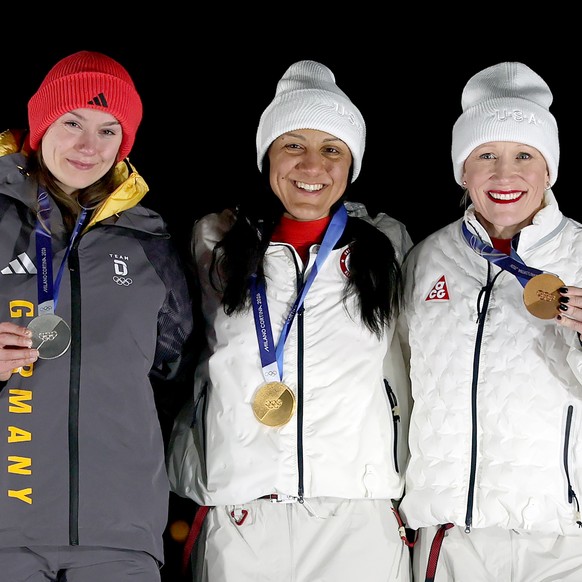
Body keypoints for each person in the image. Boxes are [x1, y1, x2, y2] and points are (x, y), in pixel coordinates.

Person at [167, 60, 413, 582]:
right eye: (293, 145)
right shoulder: (214, 241)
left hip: (357, 515)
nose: (311, 166)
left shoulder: (388, 244)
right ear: (268, 155)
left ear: (352, 164)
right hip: (243, 513)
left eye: (331, 149)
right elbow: (167, 352)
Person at [0, 50, 194, 582]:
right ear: (41, 126)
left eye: (110, 130)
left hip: (120, 537)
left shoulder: (148, 240)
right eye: (73, 122)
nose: (90, 146)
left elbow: (171, 376)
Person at [397, 61, 582, 582]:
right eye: (486, 156)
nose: (505, 175)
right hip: (453, 538)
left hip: (561, 536)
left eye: (525, 154)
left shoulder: (581, 253)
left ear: (549, 169)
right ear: (462, 170)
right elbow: (401, 388)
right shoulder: (427, 259)